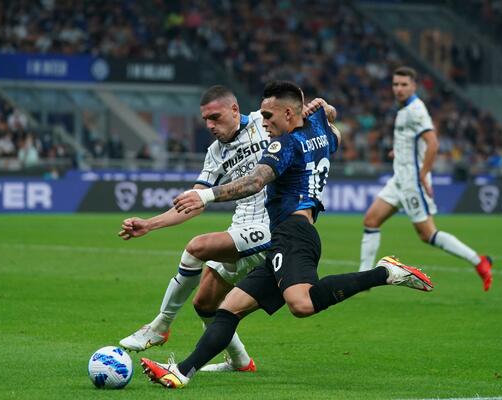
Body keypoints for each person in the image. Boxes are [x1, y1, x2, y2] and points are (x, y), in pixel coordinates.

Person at [140, 80, 434, 389]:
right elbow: (333, 127)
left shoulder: (284, 144)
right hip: (288, 235)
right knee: (229, 307)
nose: (264, 122)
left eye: (269, 116)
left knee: (302, 304)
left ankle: (384, 273)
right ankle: (181, 372)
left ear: (289, 113)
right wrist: (325, 109)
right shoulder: (320, 132)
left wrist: (205, 195)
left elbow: (254, 182)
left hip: (293, 233)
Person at [117, 85, 273, 372]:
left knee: (196, 247)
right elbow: (195, 201)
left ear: (235, 110)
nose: (210, 125)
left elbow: (296, 113)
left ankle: (160, 326)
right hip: (242, 226)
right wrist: (149, 224)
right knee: (205, 303)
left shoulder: (264, 122)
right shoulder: (215, 153)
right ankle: (240, 362)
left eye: (215, 117)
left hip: (272, 225)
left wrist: (324, 111)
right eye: (205, 120)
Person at [357, 66, 493, 291]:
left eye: (404, 85)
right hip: (399, 179)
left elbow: (433, 143)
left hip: (412, 181)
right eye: (395, 84)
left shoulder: (416, 110)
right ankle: (363, 279)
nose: (399, 89)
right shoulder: (403, 109)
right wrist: (398, 152)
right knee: (371, 221)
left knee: (427, 234)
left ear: (414, 86)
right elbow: (413, 142)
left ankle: (479, 261)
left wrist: (422, 175)